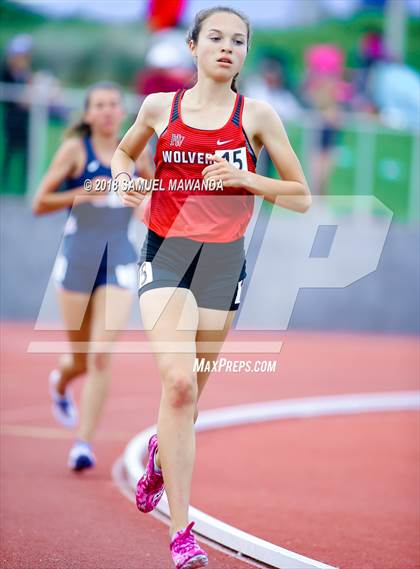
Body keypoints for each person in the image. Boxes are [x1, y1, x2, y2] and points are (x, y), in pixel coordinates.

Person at [111, 7, 311, 569]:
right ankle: (181, 532)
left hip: (224, 265)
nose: (228, 48)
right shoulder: (160, 108)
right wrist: (128, 182)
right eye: (216, 38)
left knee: (190, 399)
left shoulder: (258, 116)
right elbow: (125, 153)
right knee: (176, 385)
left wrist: (248, 176)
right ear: (193, 47)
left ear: (245, 54)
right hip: (165, 254)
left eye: (239, 41)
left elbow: (300, 196)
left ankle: (158, 454)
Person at [32, 82, 153, 471]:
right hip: (78, 258)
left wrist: (142, 197)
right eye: (98, 105)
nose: (106, 111)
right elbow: (40, 202)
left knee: (102, 355)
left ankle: (83, 443)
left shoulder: (137, 151)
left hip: (118, 256)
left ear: (123, 112)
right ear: (87, 114)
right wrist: (84, 191)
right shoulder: (74, 151)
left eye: (113, 105)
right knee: (82, 358)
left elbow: (152, 193)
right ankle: (61, 382)